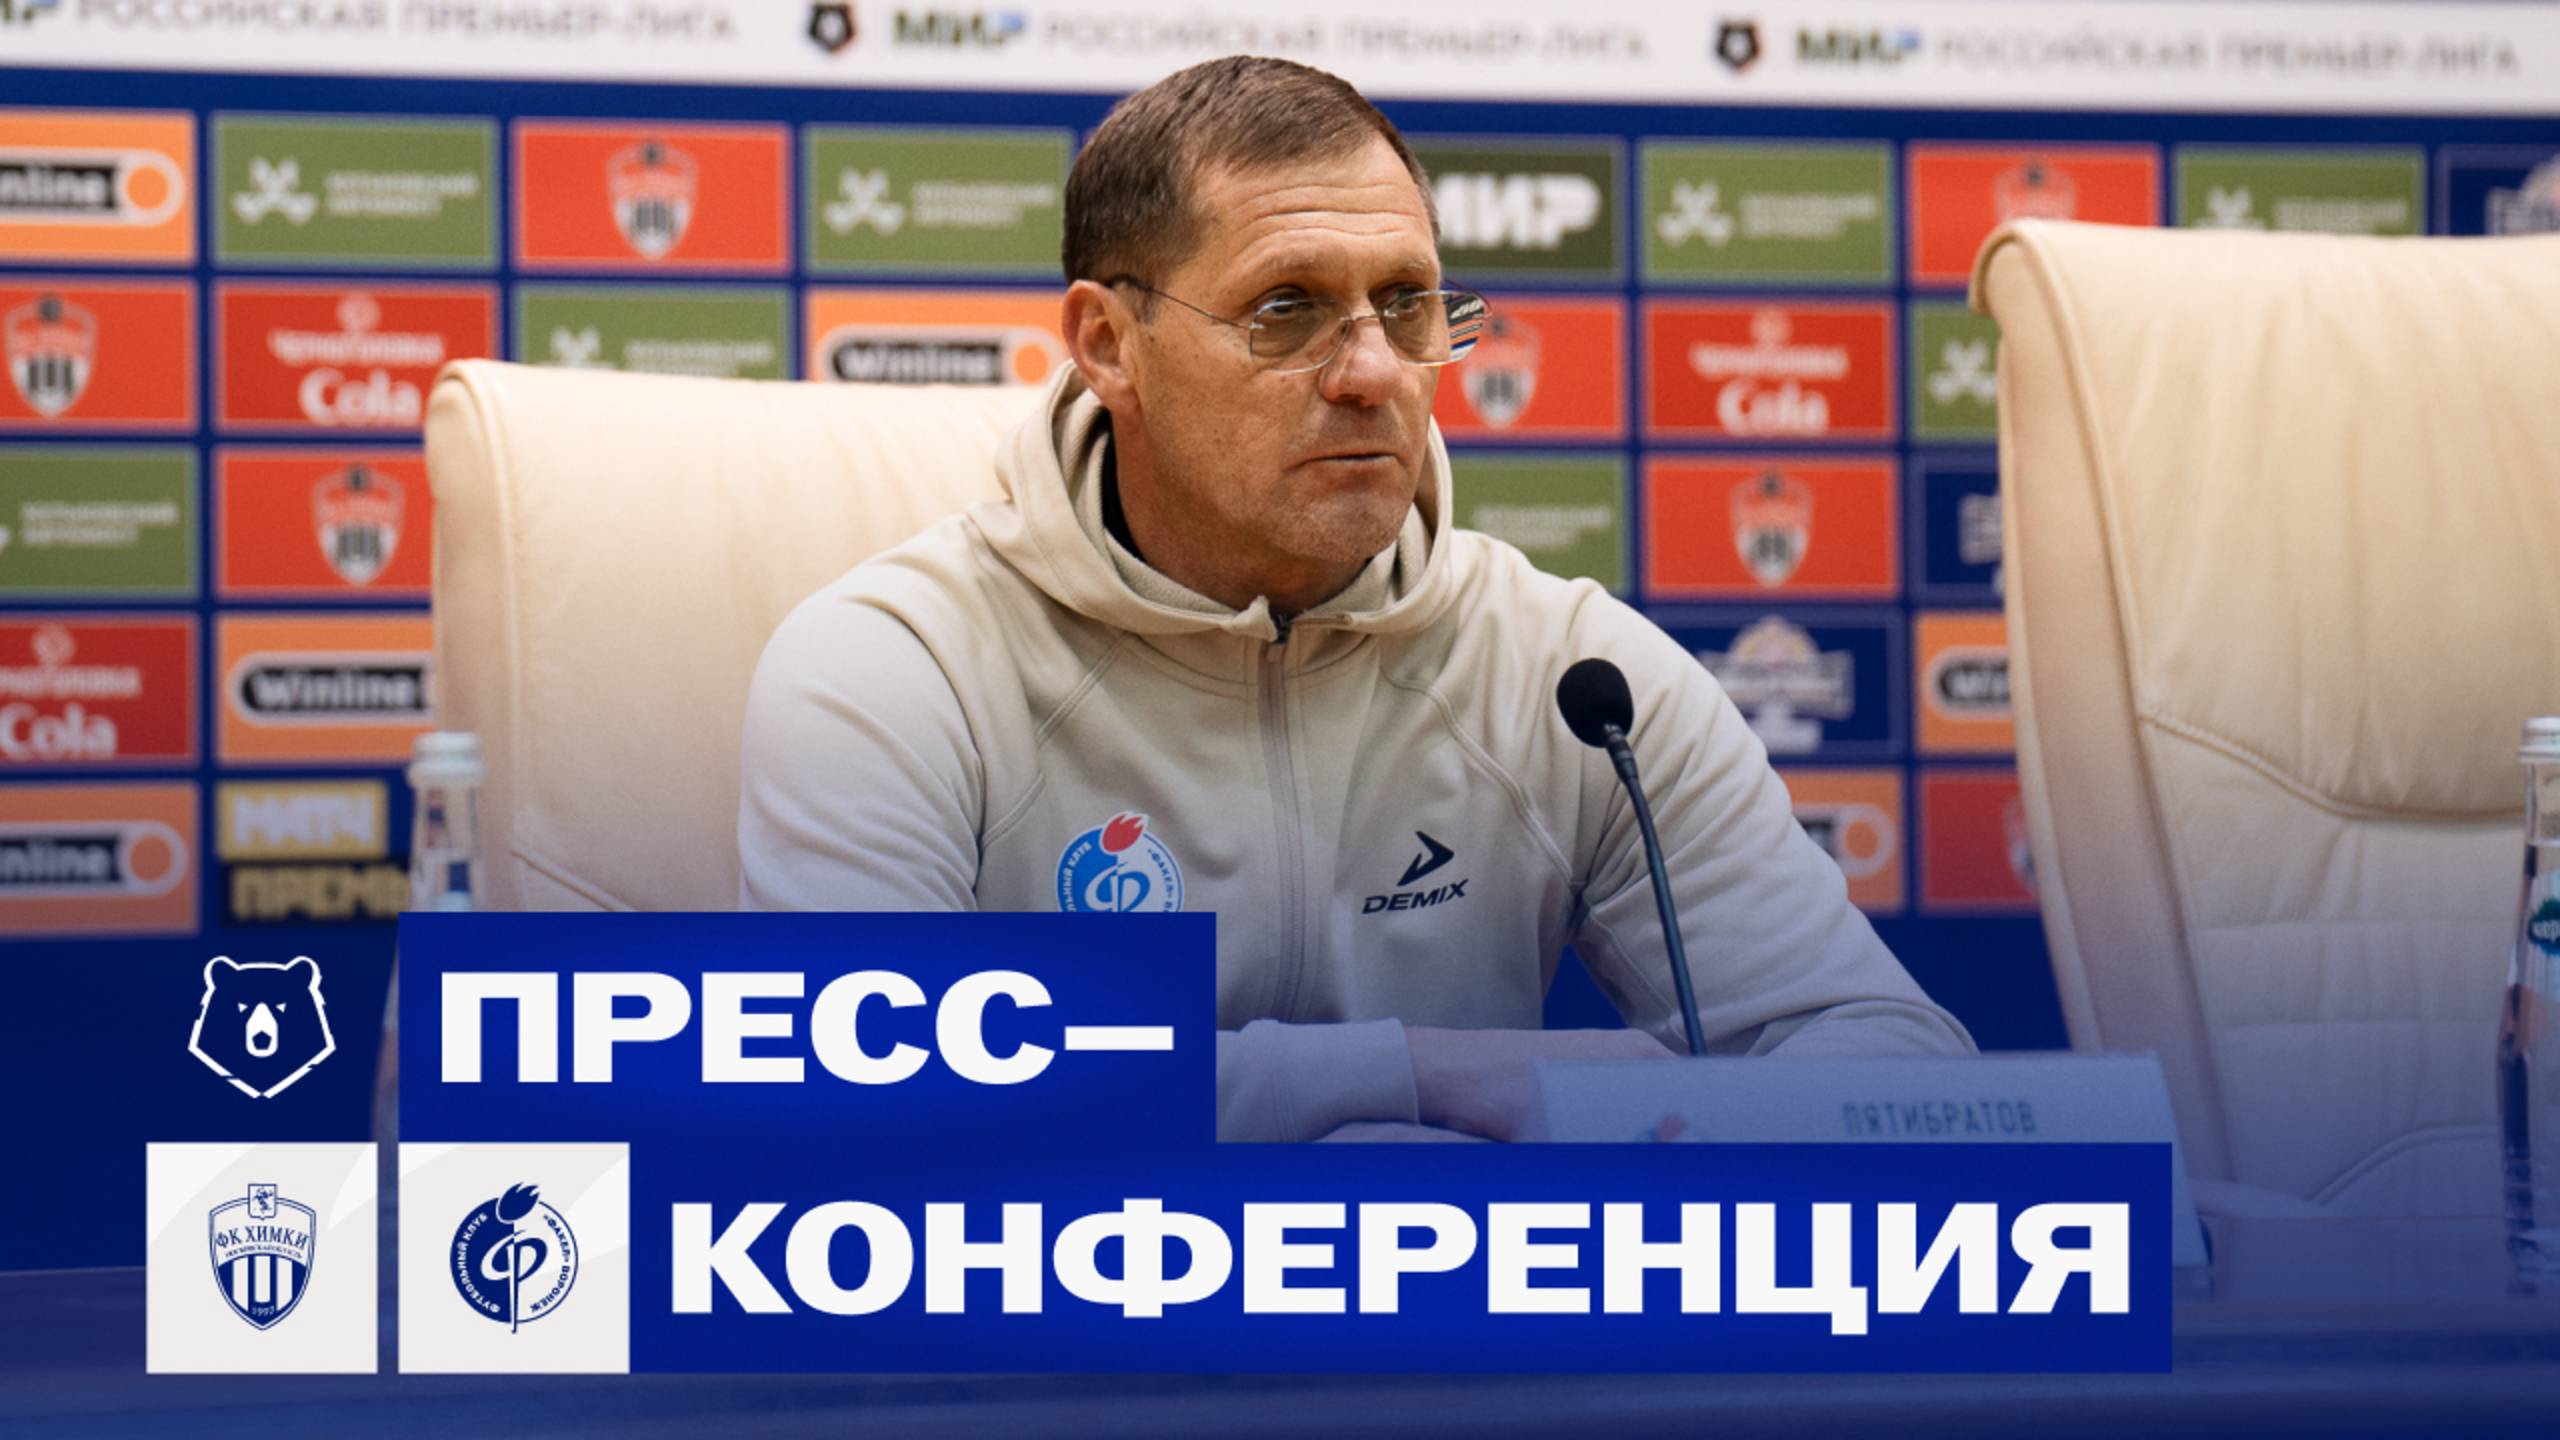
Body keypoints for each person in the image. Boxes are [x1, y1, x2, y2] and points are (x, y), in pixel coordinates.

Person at [738, 55, 1973, 1142]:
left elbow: (1890, 1059)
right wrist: (1406, 1080)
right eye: (1288, 310)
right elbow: (869, 1091)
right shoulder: (901, 666)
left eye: (1408, 304)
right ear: (1109, 346)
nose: (1373, 372)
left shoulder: (1570, 675)